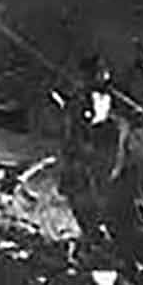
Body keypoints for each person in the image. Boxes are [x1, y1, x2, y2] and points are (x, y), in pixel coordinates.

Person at [57, 83, 131, 242]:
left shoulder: (115, 129)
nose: (86, 114)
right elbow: (69, 150)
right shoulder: (78, 121)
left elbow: (109, 168)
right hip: (86, 180)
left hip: (108, 187)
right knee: (76, 193)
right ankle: (93, 237)